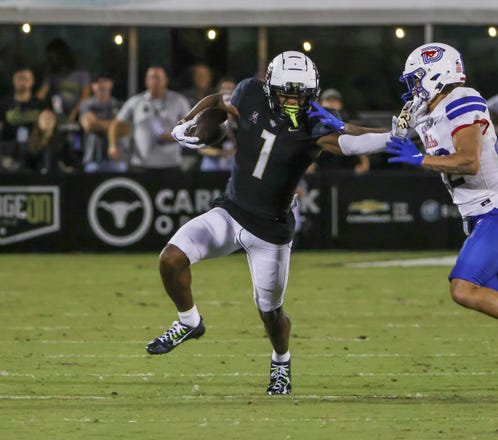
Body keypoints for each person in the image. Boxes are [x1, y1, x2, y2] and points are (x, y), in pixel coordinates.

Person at [313, 43, 498, 398]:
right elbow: (386, 139)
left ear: (440, 73)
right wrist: (340, 128)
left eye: (417, 78)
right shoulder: (426, 110)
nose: (413, 88)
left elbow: (469, 161)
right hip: (487, 217)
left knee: (463, 289)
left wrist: (420, 160)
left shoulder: (463, 100)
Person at [146, 51, 389, 395]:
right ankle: (189, 321)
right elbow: (219, 100)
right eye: (287, 93)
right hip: (230, 212)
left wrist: (394, 135)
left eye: (300, 95)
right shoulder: (250, 92)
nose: (293, 101)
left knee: (270, 314)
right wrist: (187, 122)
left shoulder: (315, 122)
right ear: (271, 88)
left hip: (271, 232)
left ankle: (281, 361)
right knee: (171, 257)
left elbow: (350, 139)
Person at [108, 66, 190, 171]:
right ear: (146, 81)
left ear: (165, 80)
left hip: (171, 164)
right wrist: (112, 146)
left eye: (157, 77)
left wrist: (174, 136)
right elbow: (116, 124)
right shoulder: (136, 101)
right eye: (151, 78)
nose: (154, 81)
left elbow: (191, 130)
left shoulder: (179, 101)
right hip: (141, 164)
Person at [309, 88, 370, 175]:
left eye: (335, 101)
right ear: (321, 103)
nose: (332, 104)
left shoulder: (346, 121)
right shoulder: (314, 121)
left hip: (344, 166)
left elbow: (357, 141)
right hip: (321, 167)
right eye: (328, 100)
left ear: (340, 104)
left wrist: (365, 162)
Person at [0, 67, 51, 171]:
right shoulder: (4, 103)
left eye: (26, 79)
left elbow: (48, 128)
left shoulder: (40, 104)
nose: (22, 82)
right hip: (8, 147)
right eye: (20, 78)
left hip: (34, 148)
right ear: (13, 81)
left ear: (33, 82)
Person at [79, 73, 125, 172]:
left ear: (111, 84)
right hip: (92, 159)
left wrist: (98, 123)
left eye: (104, 81)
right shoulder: (86, 105)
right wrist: (113, 125)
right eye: (97, 82)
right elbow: (89, 125)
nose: (101, 85)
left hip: (116, 159)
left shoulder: (119, 105)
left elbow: (124, 128)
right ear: (92, 86)